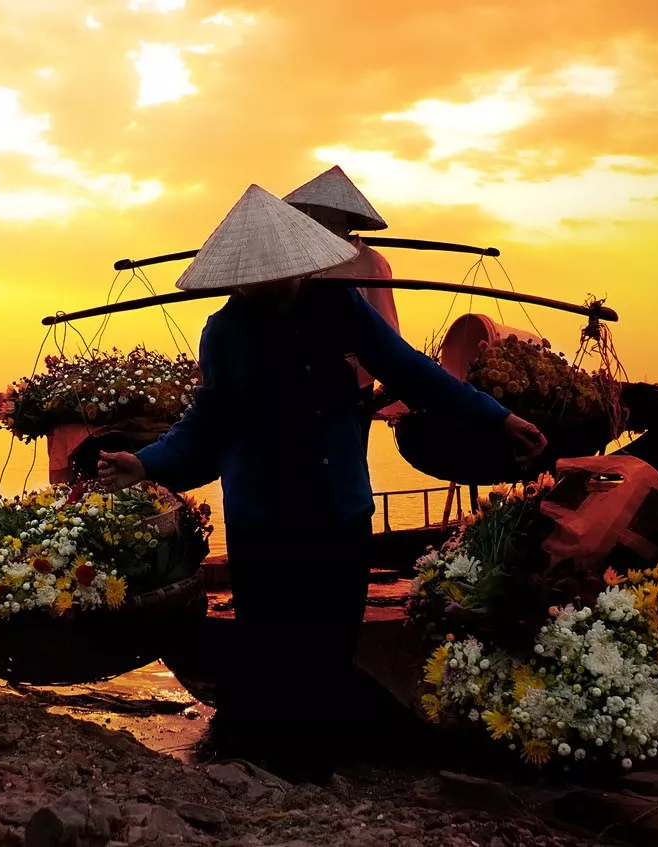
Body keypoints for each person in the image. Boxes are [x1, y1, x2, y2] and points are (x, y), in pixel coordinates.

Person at [97, 184, 546, 785]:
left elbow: (410, 370)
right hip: (261, 515)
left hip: (338, 508)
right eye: (257, 279)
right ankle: (270, 764)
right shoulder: (224, 332)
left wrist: (497, 417)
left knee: (330, 645)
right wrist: (146, 464)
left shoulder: (338, 308)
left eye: (280, 274)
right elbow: (207, 426)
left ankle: (311, 768)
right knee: (271, 646)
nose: (271, 286)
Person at [285, 165, 398, 452]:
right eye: (313, 216)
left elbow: (387, 330)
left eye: (328, 218)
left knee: (349, 454)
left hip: (353, 383)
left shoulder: (371, 263)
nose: (319, 223)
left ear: (345, 222)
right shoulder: (299, 260)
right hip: (298, 379)